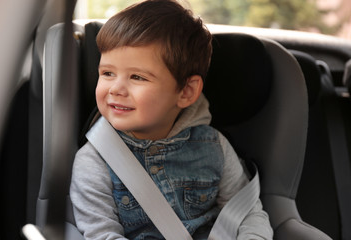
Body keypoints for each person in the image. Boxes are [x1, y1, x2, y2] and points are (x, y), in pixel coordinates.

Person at [70, 0, 273, 239]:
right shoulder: (94, 162)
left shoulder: (215, 148)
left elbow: (247, 213)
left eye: (137, 77)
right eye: (107, 73)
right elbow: (101, 234)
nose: (115, 88)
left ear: (186, 92)